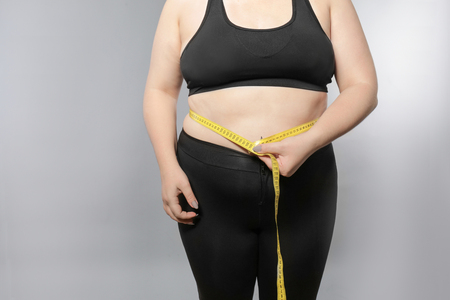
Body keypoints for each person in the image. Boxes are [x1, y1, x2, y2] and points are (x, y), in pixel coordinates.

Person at [143, 0, 377, 299]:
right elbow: (159, 90)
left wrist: (308, 141)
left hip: (305, 179)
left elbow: (363, 86)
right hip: (207, 185)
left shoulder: (330, 2)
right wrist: (167, 166)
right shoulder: (184, 4)